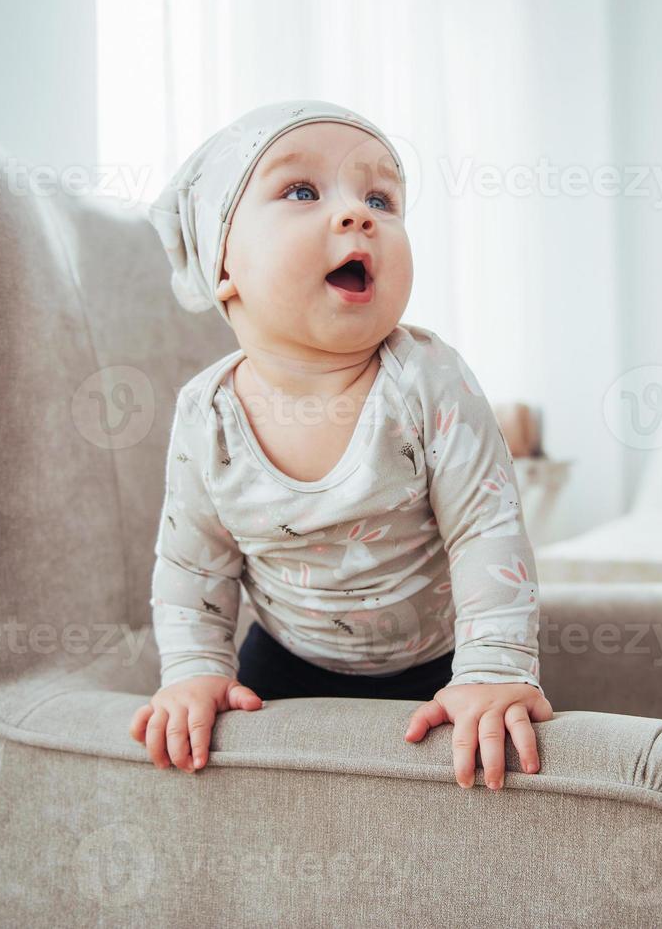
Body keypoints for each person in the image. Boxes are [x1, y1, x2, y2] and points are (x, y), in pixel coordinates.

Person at [128, 100, 552, 791]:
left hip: (445, 662)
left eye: (381, 197)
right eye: (301, 191)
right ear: (220, 265)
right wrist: (194, 672)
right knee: (234, 789)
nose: (358, 215)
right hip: (287, 660)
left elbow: (486, 528)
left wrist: (495, 668)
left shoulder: (426, 379)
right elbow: (192, 562)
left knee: (485, 777)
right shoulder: (206, 415)